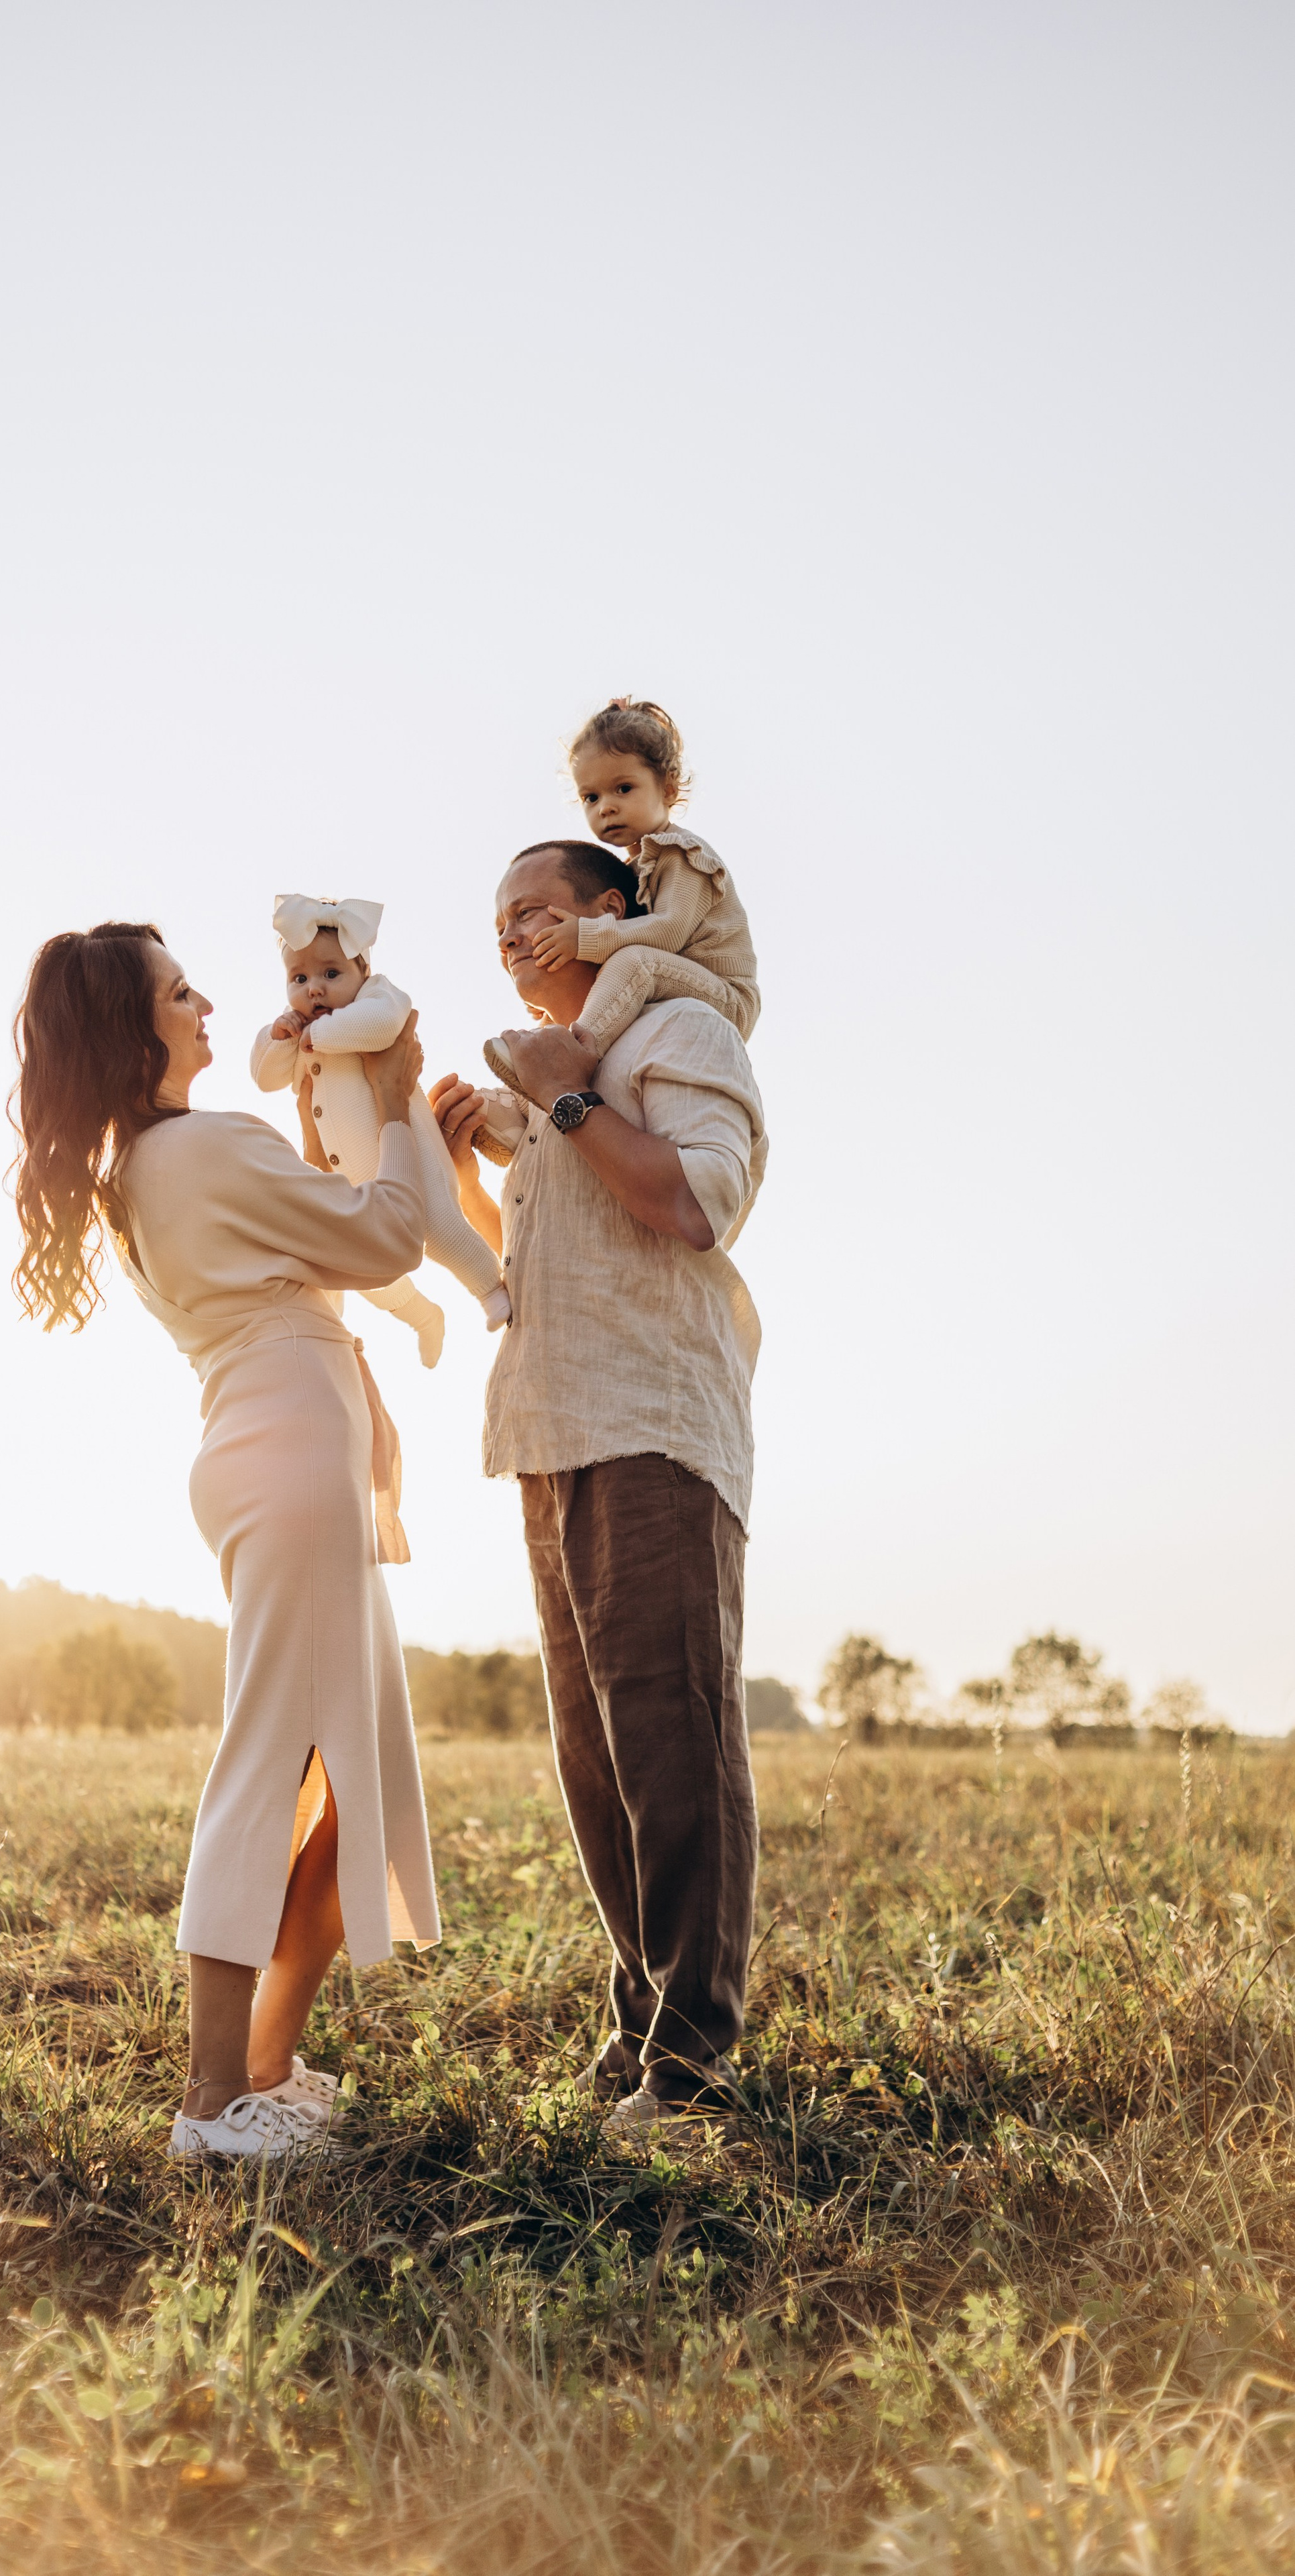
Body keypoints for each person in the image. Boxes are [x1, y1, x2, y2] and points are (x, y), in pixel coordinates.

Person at [12, 919, 441, 2162]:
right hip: (292, 1445)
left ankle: (260, 2070)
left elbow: (309, 1240)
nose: (210, 1006)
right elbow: (386, 1241)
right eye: (181, 993)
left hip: (270, 1440)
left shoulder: (149, 1170)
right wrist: (404, 1107)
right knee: (275, 1761)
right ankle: (210, 2103)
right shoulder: (202, 1146)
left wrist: (326, 1150)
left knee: (339, 1775)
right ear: (132, 1028)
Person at [432, 843, 768, 2139]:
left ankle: (692, 2072)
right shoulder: (548, 1083)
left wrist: (573, 1098)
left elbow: (693, 1205)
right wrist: (474, 1161)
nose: (514, 935)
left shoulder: (680, 1026)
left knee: (673, 1738)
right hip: (551, 1433)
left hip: (653, 1427)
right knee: (597, 1761)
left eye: (540, 910)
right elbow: (525, 1265)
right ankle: (641, 2033)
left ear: (616, 914)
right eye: (499, 921)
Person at [251, 892, 512, 1367]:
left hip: (410, 1157)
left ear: (363, 974)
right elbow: (265, 1077)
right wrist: (281, 1037)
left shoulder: (375, 999)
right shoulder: (296, 1028)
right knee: (358, 1265)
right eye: (299, 978)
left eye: (332, 974)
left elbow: (383, 1026)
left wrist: (319, 1036)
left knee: (439, 1230)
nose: (315, 990)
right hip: (347, 1180)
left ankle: (492, 1290)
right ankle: (422, 1316)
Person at [482, 697, 758, 1099]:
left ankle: (574, 1056)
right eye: (590, 798)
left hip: (724, 995)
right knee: (596, 986)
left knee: (632, 960)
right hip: (675, 981)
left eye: (623, 789)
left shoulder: (682, 855)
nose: (606, 808)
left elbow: (668, 932)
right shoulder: (637, 868)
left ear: (668, 787)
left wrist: (587, 937)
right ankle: (522, 1100)